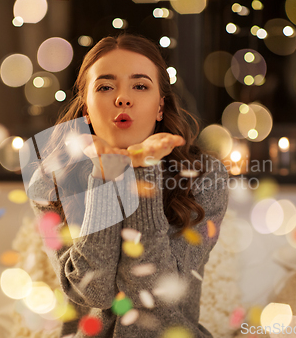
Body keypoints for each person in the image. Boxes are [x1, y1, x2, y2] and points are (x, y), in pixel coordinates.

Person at [26, 33, 229, 338]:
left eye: (140, 85)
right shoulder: (49, 179)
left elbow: (157, 296)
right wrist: (104, 178)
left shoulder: (205, 176)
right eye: (106, 87)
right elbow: (92, 293)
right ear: (86, 111)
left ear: (161, 107)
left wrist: (143, 170)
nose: (123, 98)